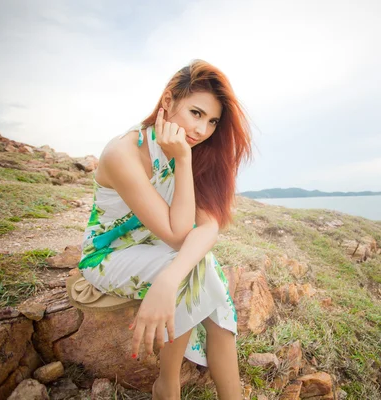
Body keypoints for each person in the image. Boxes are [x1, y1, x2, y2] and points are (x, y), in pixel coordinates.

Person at [77, 59, 252, 400]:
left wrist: (168, 280)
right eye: (196, 113)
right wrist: (183, 160)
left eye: (213, 121)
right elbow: (178, 232)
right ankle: (167, 386)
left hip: (160, 251)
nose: (202, 130)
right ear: (168, 101)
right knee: (197, 266)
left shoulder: (189, 150)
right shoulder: (123, 153)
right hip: (108, 257)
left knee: (198, 265)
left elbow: (207, 226)